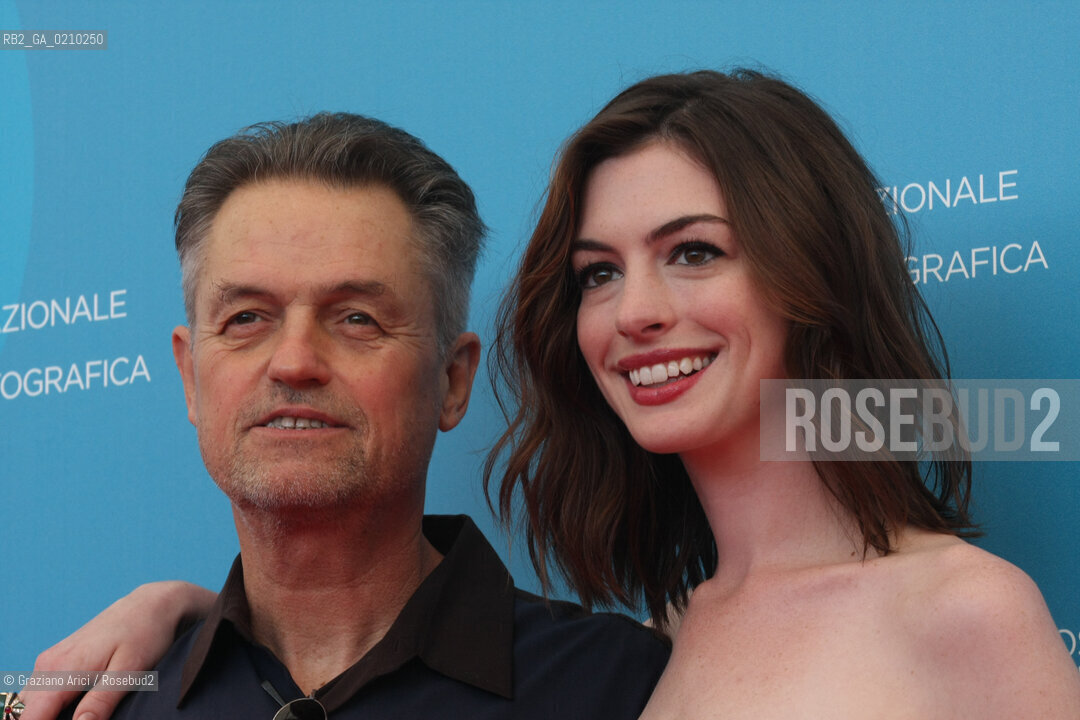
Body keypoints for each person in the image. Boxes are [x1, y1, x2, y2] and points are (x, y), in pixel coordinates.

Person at [26, 70, 1080, 719]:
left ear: (813, 277)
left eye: (696, 251)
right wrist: (196, 620)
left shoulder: (963, 612)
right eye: (599, 274)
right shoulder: (673, 634)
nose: (636, 312)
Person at [20, 112, 668, 720]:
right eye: (246, 318)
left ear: (451, 380)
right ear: (190, 376)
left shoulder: (627, 687)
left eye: (357, 318)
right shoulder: (105, 704)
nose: (294, 361)